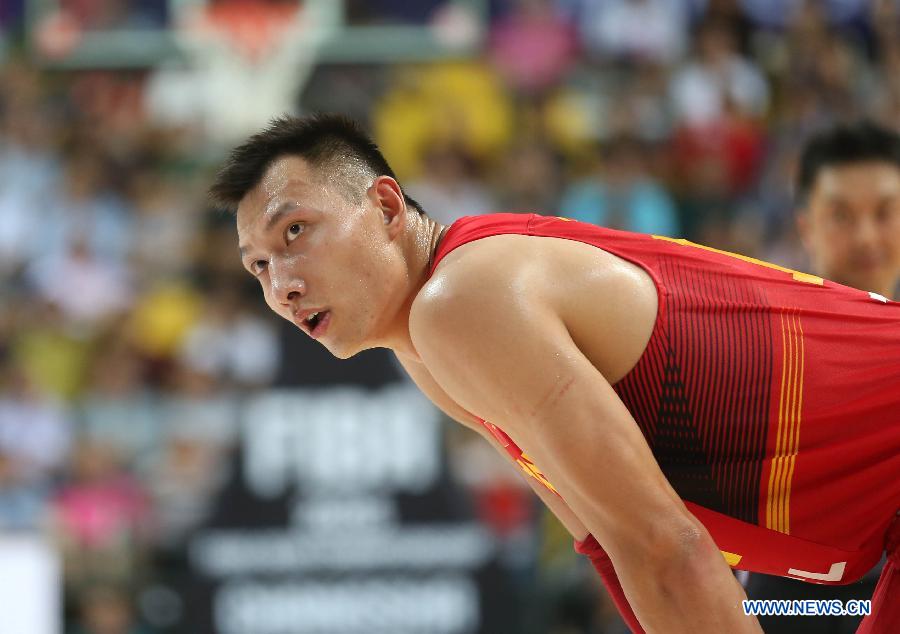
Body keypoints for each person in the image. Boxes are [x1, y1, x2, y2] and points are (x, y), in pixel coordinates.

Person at [210, 114, 900, 633]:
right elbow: (614, 549)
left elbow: (670, 551)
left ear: (387, 207)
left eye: (294, 232)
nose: (282, 286)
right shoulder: (431, 346)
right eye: (259, 266)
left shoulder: (462, 301)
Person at [743, 122, 900, 632]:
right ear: (806, 225)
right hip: (784, 606)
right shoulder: (758, 349)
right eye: (841, 215)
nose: (866, 237)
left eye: (884, 213)